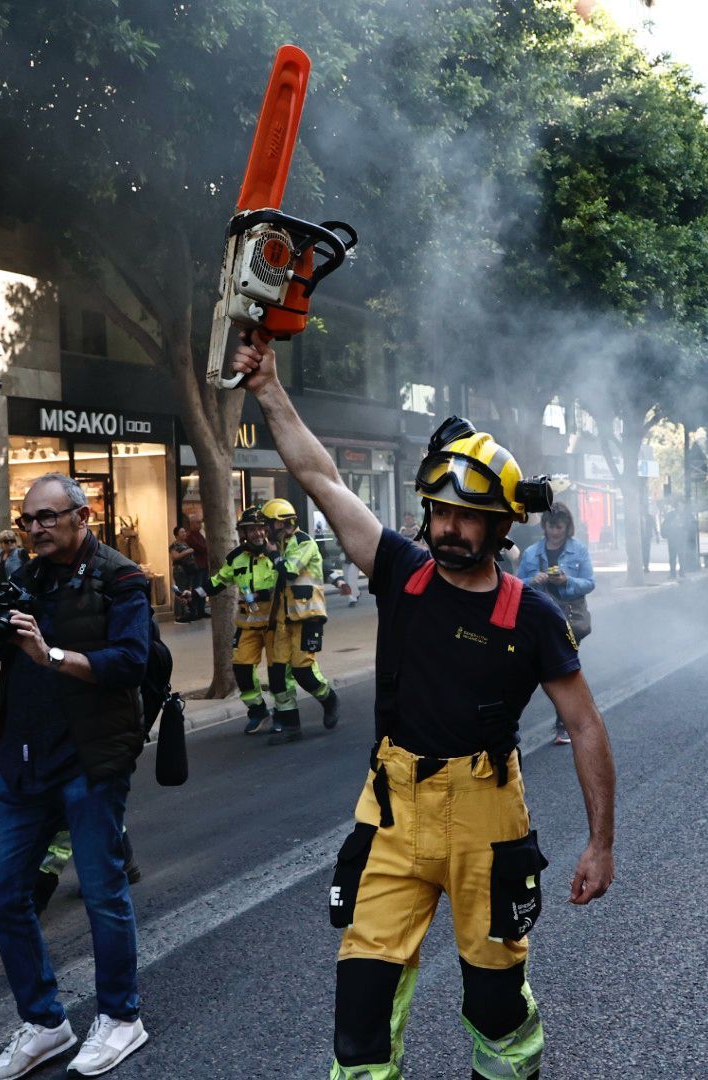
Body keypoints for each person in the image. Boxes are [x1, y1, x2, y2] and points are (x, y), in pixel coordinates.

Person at [227, 333, 616, 1080]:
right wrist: (270, 387)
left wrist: (600, 843)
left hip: (487, 818)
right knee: (361, 1010)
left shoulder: (533, 617)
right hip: (393, 814)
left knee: (497, 1007)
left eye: (469, 517)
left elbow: (585, 726)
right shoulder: (400, 571)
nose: (450, 528)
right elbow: (320, 477)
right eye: (441, 511)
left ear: (503, 527)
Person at [0, 474, 151, 1079]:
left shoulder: (122, 578)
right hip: (23, 761)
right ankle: (44, 1022)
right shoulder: (23, 574)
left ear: (81, 516)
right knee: (0, 893)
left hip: (89, 760)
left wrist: (52, 655)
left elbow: (132, 662)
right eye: (27, 519)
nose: (34, 528)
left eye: (47, 518)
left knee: (104, 895)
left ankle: (121, 1017)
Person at [260, 498, 342, 745]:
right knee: (277, 675)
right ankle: (291, 726)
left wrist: (274, 556)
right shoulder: (281, 545)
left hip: (308, 618)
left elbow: (290, 571)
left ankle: (329, 699)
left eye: (269, 523)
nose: (266, 529)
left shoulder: (303, 542)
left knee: (303, 671)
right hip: (284, 620)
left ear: (281, 523)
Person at [518, 504, 596, 746]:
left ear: (567, 527)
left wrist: (566, 581)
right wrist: (533, 580)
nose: (554, 532)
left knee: (563, 668)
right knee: (533, 669)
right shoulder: (531, 553)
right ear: (545, 526)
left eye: (559, 527)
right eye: (551, 526)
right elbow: (517, 583)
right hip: (541, 616)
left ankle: (564, 724)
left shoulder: (579, 550)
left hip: (569, 617)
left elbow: (589, 582)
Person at [205, 508, 282, 734]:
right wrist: (195, 593)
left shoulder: (276, 553)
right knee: (242, 668)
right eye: (252, 529)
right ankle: (258, 712)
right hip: (248, 625)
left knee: (278, 672)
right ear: (244, 532)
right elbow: (219, 581)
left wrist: (263, 595)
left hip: (276, 623)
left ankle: (283, 714)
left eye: (261, 528)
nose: (257, 533)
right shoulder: (236, 557)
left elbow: (287, 580)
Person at [168, 526, 197, 623]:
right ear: (176, 535)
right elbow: (175, 557)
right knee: (179, 592)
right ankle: (178, 615)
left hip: (188, 571)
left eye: (185, 531)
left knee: (186, 592)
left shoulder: (186, 544)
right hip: (180, 571)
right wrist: (187, 551)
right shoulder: (174, 545)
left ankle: (186, 613)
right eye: (181, 532)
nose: (184, 533)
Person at [184, 514, 210, 621]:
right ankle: (194, 611)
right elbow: (201, 548)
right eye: (198, 522)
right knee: (196, 589)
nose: (200, 524)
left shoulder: (200, 535)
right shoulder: (190, 536)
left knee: (203, 589)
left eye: (201, 522)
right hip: (197, 567)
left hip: (204, 566)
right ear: (192, 523)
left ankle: (201, 610)